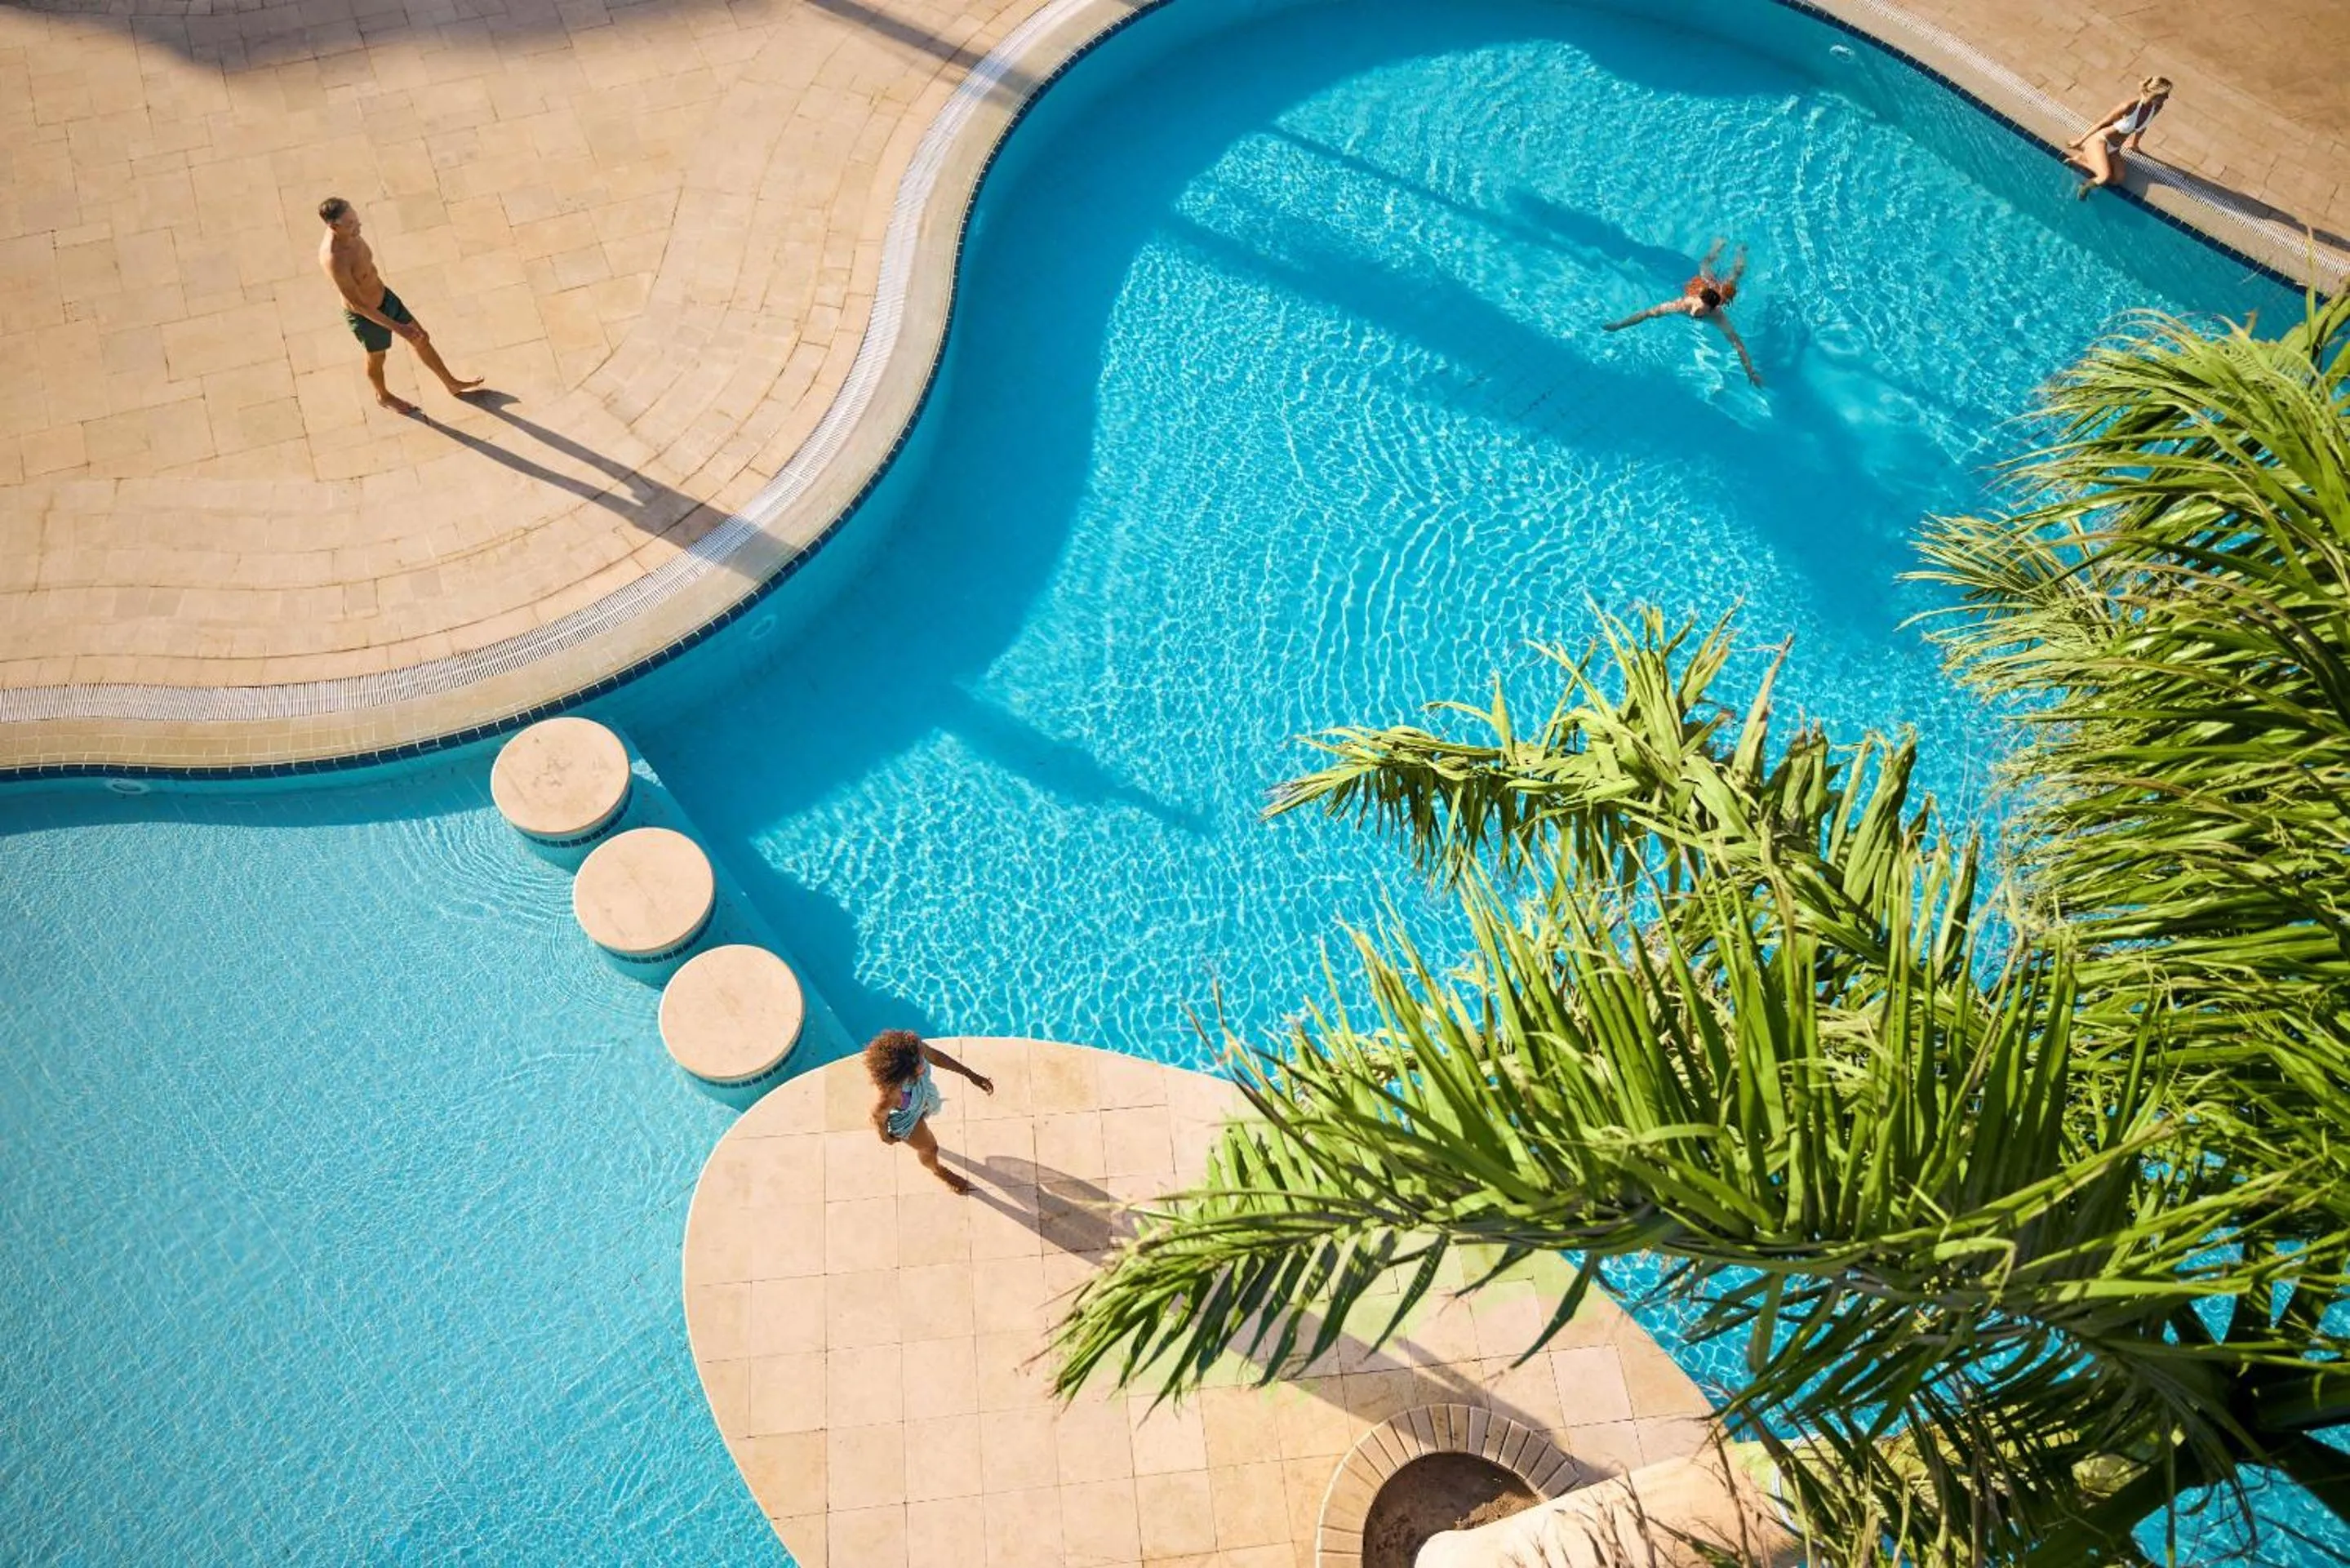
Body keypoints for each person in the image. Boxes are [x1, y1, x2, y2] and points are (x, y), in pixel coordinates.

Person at [316, 196, 482, 415]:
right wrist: (398, 327)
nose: (358, 226)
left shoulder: (353, 234)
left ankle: (451, 383)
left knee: (421, 337)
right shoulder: (334, 259)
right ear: (334, 226)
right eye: (350, 224)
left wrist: (400, 324)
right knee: (378, 357)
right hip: (367, 317)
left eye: (356, 219)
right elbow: (358, 305)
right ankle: (383, 396)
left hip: (385, 297)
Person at [1603, 239, 1762, 386]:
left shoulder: (1718, 317)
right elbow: (1648, 313)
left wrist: (1751, 372)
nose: (1695, 310)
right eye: (1697, 305)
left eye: (1701, 309)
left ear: (1713, 309)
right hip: (1701, 287)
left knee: (1735, 276)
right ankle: (1718, 246)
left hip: (1718, 296)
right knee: (1704, 264)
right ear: (1698, 297)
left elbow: (1738, 345)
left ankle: (1741, 250)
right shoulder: (1684, 304)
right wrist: (1619, 325)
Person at [866, 1029, 994, 1193]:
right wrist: (885, 1137)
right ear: (901, 1074)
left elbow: (936, 1057)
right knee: (930, 1148)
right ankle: (937, 1170)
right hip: (907, 1119)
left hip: (923, 1100)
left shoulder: (915, 1050)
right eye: (918, 1066)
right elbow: (877, 1116)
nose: (923, 1064)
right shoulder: (891, 1095)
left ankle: (935, 1165)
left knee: (929, 1140)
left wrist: (970, 1074)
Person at [2066, 77, 2173, 199]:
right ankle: (2085, 186)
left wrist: (2135, 144)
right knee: (2104, 177)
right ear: (2155, 93)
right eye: (2165, 94)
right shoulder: (2128, 106)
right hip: (2100, 141)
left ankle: (2080, 160)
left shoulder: (2156, 108)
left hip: (2114, 148)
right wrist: (2080, 141)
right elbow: (2102, 123)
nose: (2167, 98)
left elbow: (2143, 127)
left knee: (2117, 179)